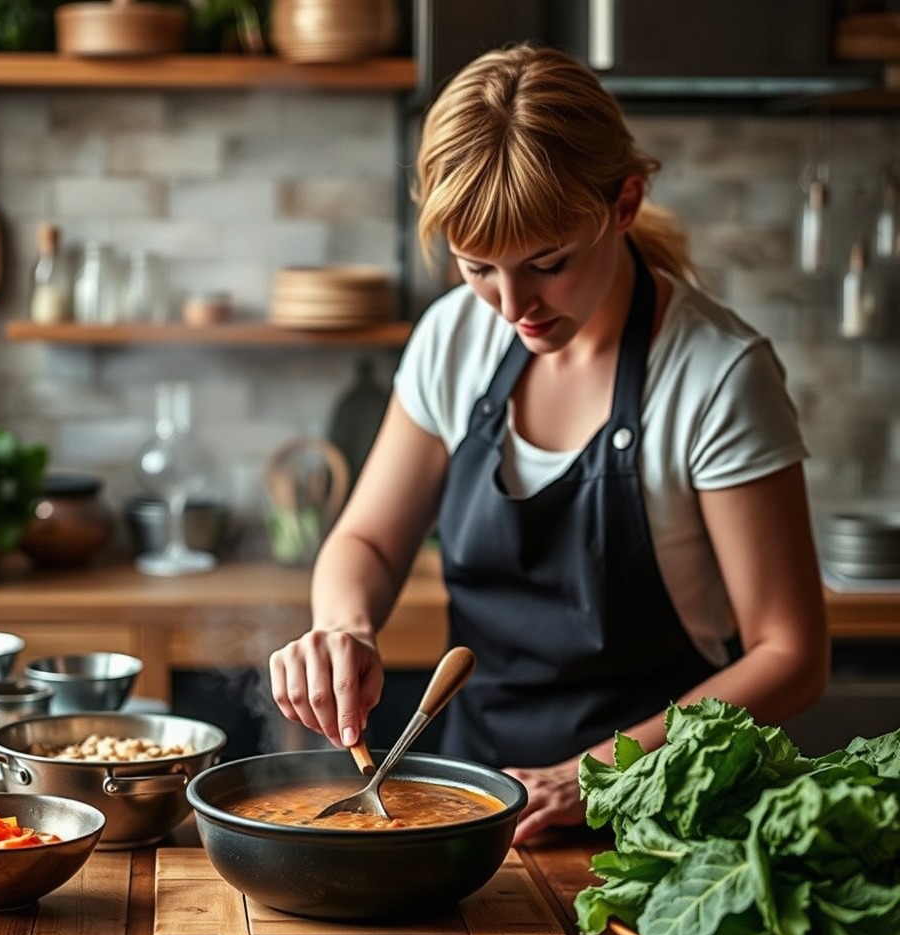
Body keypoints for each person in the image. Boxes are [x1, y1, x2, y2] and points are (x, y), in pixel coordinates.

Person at [268, 44, 829, 845]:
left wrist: (599, 775)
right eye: (477, 269)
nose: (511, 305)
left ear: (625, 203)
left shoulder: (715, 376)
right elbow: (366, 540)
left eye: (549, 263)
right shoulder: (453, 339)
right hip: (473, 812)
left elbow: (792, 653)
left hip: (663, 823)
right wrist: (345, 628)